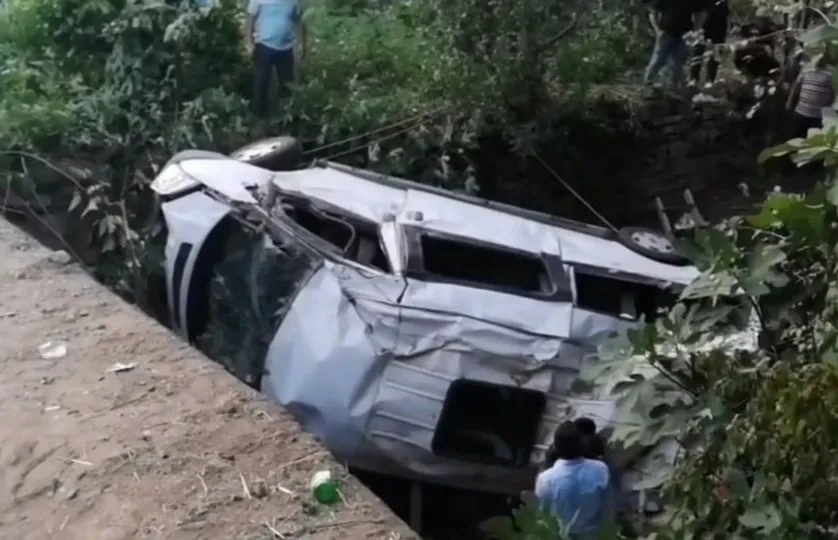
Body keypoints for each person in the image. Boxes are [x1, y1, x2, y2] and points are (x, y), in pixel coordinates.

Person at [535, 422, 611, 539]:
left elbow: (544, 516)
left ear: (555, 447)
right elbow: (608, 507)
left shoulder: (545, 479)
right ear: (582, 445)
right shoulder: (600, 469)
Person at [247, 0, 308, 117]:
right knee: (261, 84)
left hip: (286, 48)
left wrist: (301, 44)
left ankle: (285, 117)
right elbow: (250, 20)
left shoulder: (293, 1)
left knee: (287, 85)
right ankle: (259, 118)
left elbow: (299, 22)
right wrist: (249, 43)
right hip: (263, 45)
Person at [644, 0, 709, 88]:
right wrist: (657, 30)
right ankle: (648, 83)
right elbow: (653, 12)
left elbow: (700, 13)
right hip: (666, 32)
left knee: (678, 62)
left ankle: (672, 86)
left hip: (684, 34)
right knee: (658, 59)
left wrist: (696, 29)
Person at [786, 53, 835, 138]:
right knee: (797, 138)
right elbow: (796, 85)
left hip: (818, 116)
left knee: (812, 141)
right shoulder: (806, 68)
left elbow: (833, 93)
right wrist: (789, 101)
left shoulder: (832, 73)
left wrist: (828, 108)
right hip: (800, 112)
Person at [690, 0, 728, 84]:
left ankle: (710, 80)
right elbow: (695, 10)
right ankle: (694, 79)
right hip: (703, 27)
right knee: (697, 51)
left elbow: (726, 12)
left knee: (715, 54)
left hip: (719, 28)